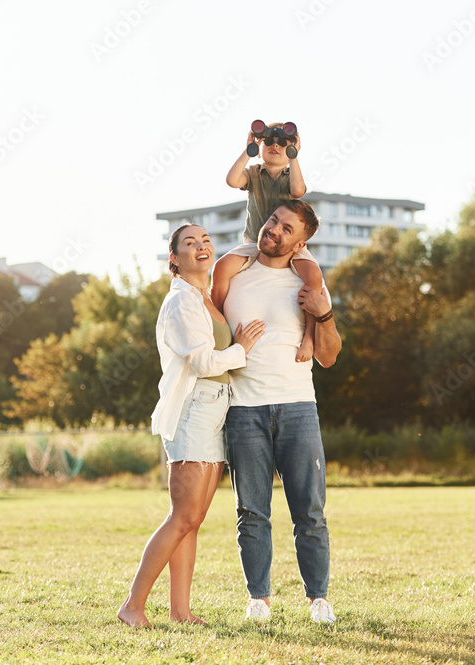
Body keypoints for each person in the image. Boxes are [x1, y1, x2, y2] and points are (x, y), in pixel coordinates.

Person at [118, 224, 266, 628]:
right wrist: (241, 349)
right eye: (189, 243)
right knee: (182, 516)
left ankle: (180, 612)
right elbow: (202, 362)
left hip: (216, 407)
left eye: (205, 241)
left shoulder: (205, 297)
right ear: (174, 259)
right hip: (194, 408)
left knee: (192, 520)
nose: (201, 246)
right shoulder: (181, 301)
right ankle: (132, 605)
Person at [215, 199, 343, 624]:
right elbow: (211, 329)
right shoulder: (233, 272)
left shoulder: (306, 281)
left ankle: (318, 599)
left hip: (298, 407)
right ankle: (259, 599)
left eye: (287, 229)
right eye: (273, 221)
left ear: (300, 243)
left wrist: (324, 315)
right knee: (251, 511)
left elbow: (329, 356)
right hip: (243, 408)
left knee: (310, 511)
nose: (274, 230)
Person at [217, 123, 325, 363]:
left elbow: (298, 191)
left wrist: (294, 156)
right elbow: (232, 180)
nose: (275, 145)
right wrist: (249, 149)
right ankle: (217, 326)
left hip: (287, 244)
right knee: (222, 267)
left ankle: (309, 336)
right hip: (254, 241)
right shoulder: (253, 173)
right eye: (268, 141)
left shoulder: (291, 175)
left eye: (282, 143)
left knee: (314, 276)